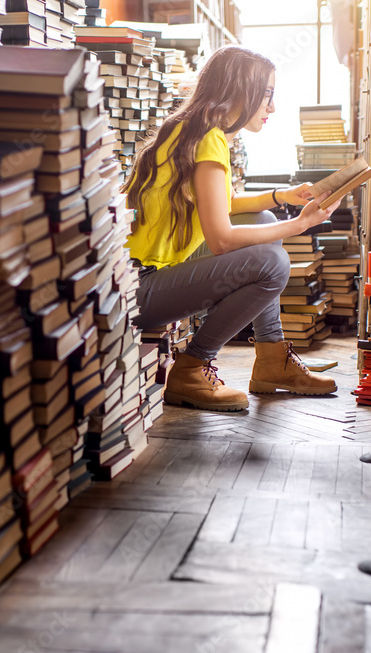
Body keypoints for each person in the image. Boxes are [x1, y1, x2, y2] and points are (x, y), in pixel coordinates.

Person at [124, 45, 343, 413]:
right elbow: (222, 238)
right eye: (268, 94)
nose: (272, 106)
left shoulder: (189, 130)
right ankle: (192, 367)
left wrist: (280, 196)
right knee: (272, 263)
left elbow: (220, 206)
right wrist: (300, 224)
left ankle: (272, 359)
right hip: (138, 292)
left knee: (265, 221)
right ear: (242, 90)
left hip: (132, 280)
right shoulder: (208, 139)